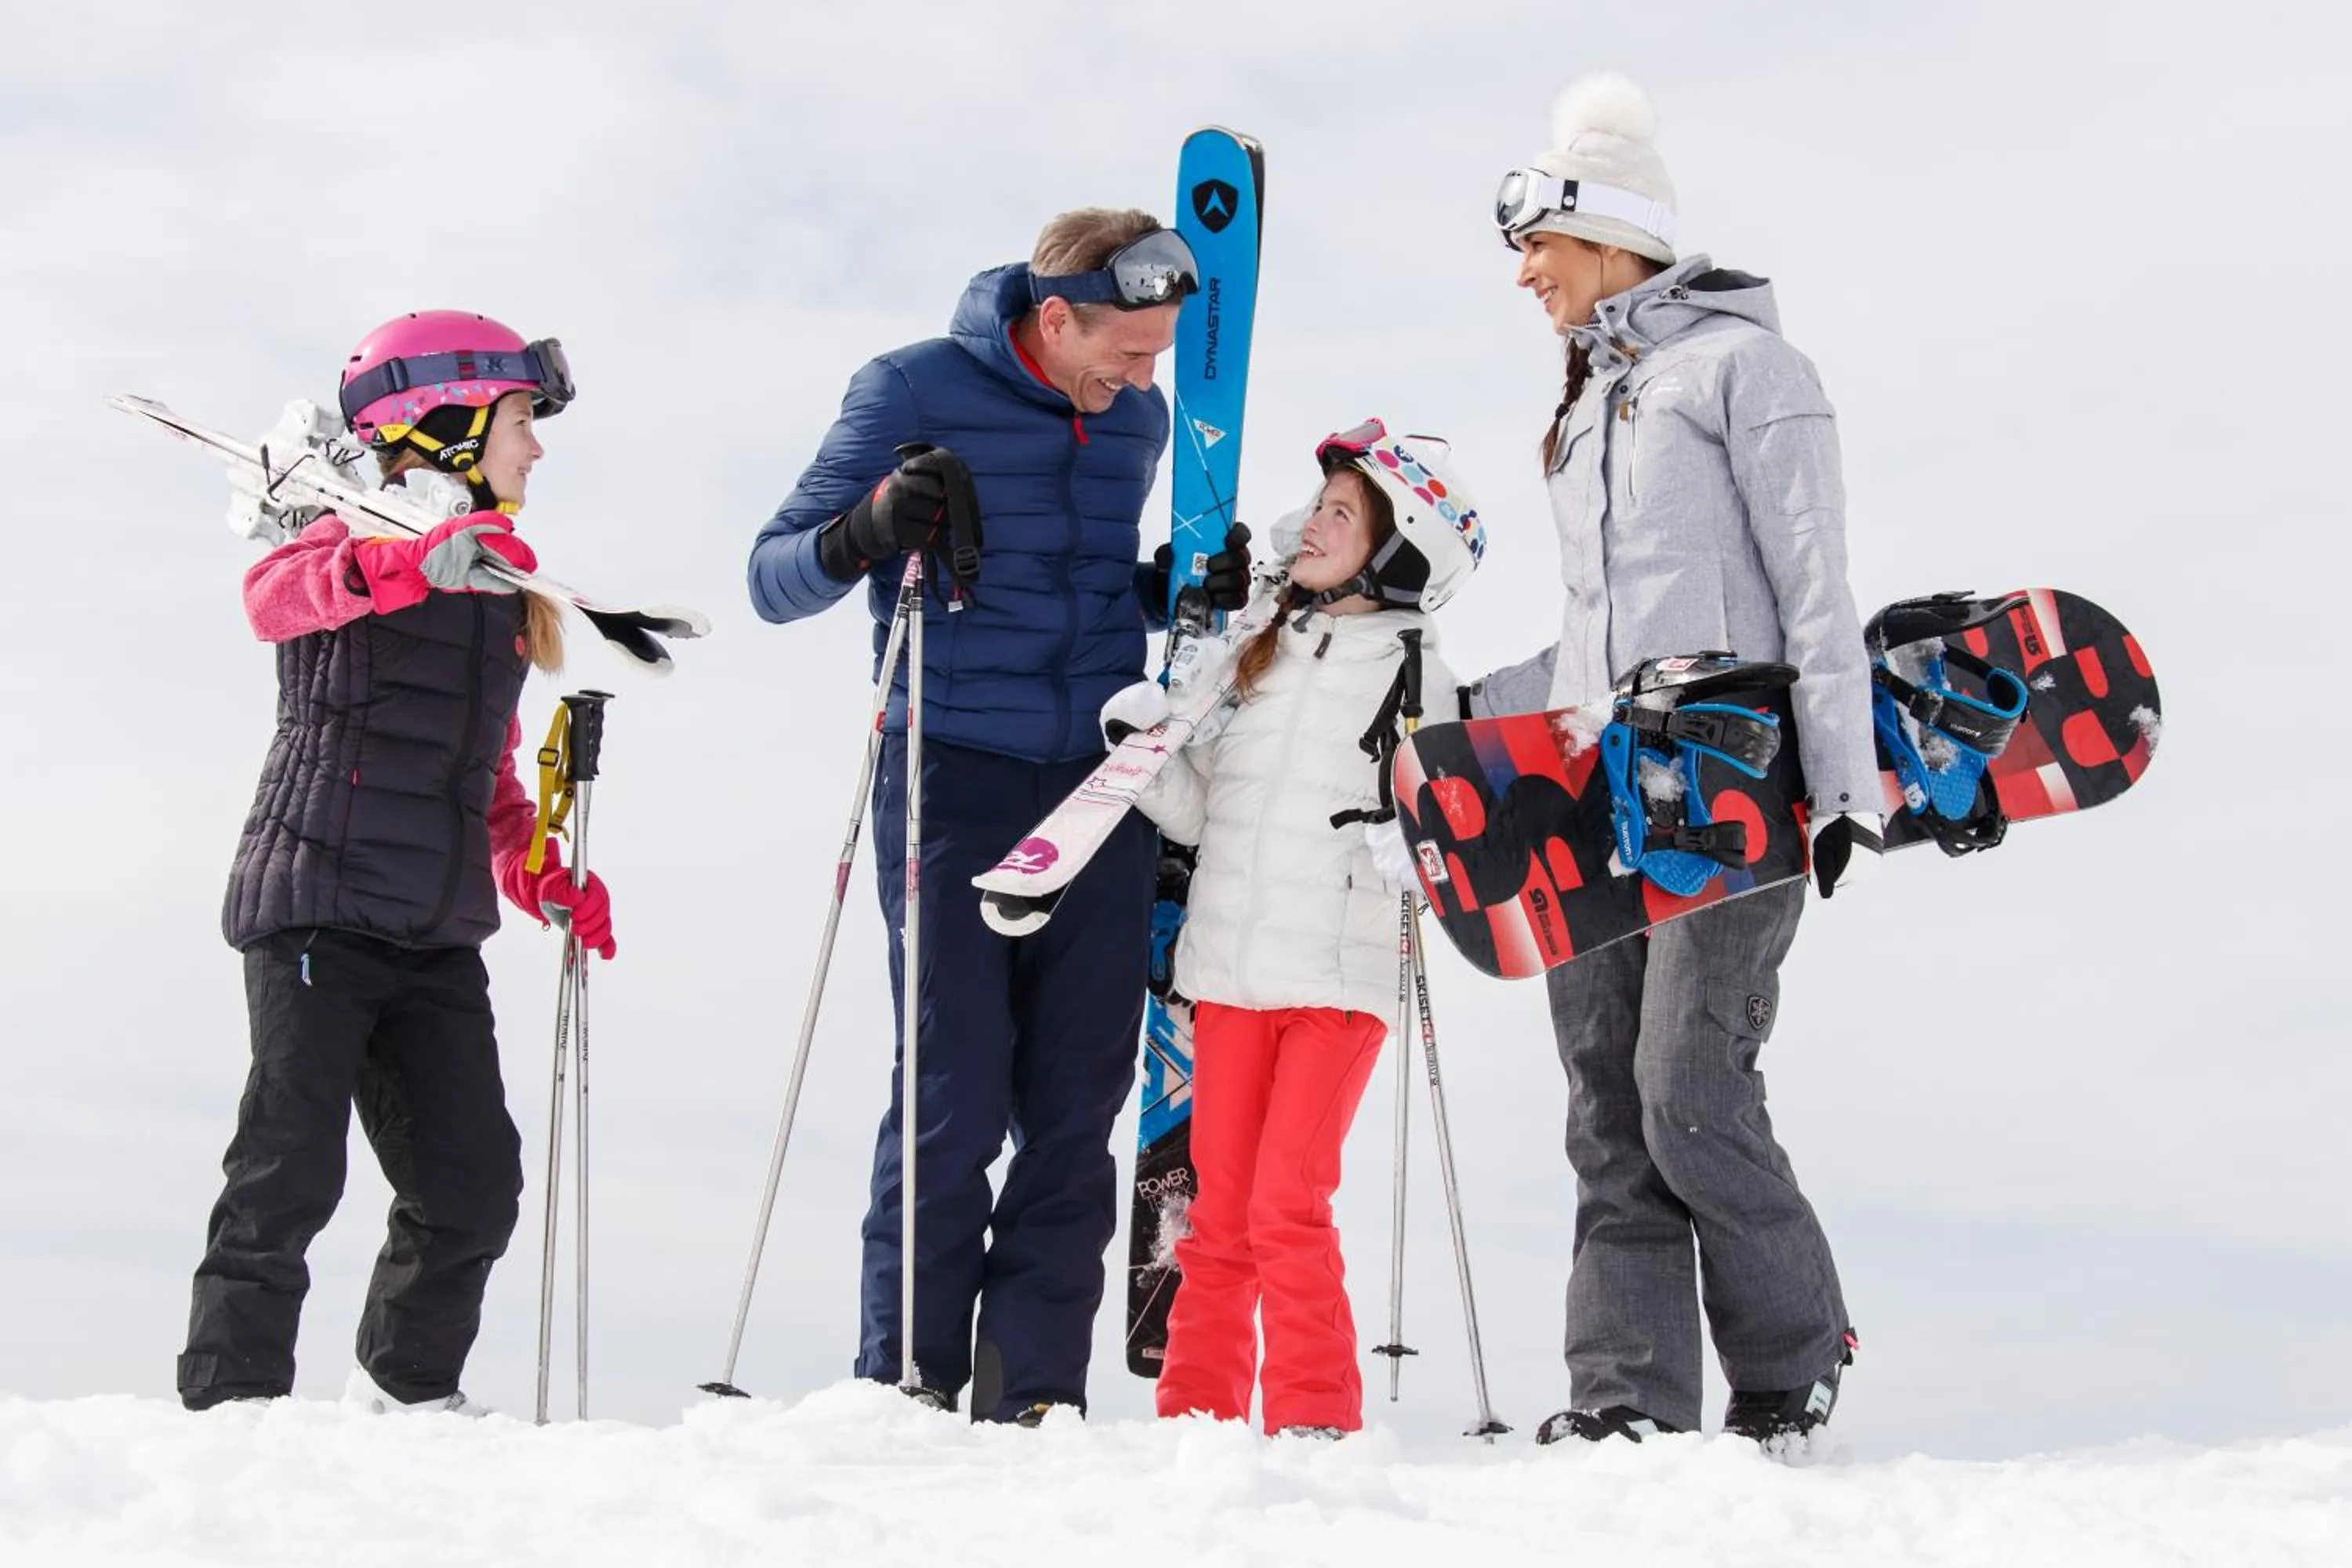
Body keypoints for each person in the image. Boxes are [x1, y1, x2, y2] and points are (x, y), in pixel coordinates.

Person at [748, 209, 1251, 1424]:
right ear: (1055, 315)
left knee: (1079, 1099)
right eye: (1130, 349)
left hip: (1103, 780)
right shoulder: (908, 388)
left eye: (1164, 352)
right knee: (955, 1087)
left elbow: (1090, 587)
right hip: (952, 769)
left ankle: (1035, 1392)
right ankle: (908, 1379)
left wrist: (1180, 588)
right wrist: (870, 528)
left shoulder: (1133, 420)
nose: (1149, 378)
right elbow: (772, 577)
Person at [1477, 74, 1879, 1445]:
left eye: (1539, 244)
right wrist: (1461, 708)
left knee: (1687, 1083)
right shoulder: (1591, 405)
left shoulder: (1747, 370)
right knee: (1605, 1100)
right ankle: (1625, 1402)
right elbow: (1595, 634)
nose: (1525, 274)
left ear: (1608, 234)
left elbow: (1813, 583)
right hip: (1603, 789)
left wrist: (1841, 782)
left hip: (1730, 778)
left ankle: (1788, 1371)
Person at [178, 311, 615, 1415]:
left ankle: (407, 1391)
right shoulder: (335, 540)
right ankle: (232, 1405)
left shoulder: (497, 594)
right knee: (289, 1167)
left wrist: (538, 871)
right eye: (522, 418)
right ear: (446, 424)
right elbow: (274, 600)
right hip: (319, 904)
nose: (538, 446)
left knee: (473, 1186)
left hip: (433, 927)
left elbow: (487, 777)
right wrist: (409, 561)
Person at [1105, 421, 1479, 1437]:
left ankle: (1314, 1421)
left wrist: (1419, 842)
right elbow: (1205, 815)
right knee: (1218, 1215)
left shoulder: (1414, 673)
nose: (1313, 524)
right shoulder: (1258, 652)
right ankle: (1195, 1417)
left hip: (1335, 980)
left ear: (1399, 550)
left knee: (1286, 1205)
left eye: (1341, 514)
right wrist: (1148, 758)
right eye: (1317, 506)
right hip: (1227, 971)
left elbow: (1447, 819)